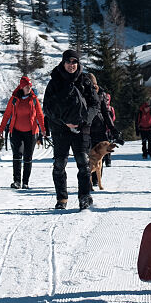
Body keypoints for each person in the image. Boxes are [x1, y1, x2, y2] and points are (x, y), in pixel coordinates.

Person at [42, 49, 99, 210]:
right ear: (63, 62)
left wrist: (85, 120)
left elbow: (95, 104)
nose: (71, 65)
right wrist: (64, 122)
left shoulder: (85, 80)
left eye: (74, 62)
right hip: (61, 129)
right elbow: (47, 108)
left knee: (84, 162)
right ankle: (62, 199)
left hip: (82, 129)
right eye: (69, 62)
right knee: (60, 164)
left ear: (78, 63)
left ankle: (85, 197)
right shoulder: (55, 82)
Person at [0, 75, 46, 190]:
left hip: (31, 132)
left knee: (28, 157)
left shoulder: (34, 99)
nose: (29, 88)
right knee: (17, 155)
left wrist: (43, 130)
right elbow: (7, 114)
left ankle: (25, 182)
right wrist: (1, 129)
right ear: (21, 87)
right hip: (16, 132)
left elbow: (40, 115)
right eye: (26, 86)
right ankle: (16, 181)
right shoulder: (14, 99)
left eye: (30, 86)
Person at [86, 73, 118, 184]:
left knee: (100, 155)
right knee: (87, 155)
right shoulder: (83, 93)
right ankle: (87, 178)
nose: (93, 87)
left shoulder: (102, 94)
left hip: (99, 128)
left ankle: (96, 179)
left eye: (94, 84)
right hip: (86, 128)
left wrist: (112, 128)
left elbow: (106, 112)